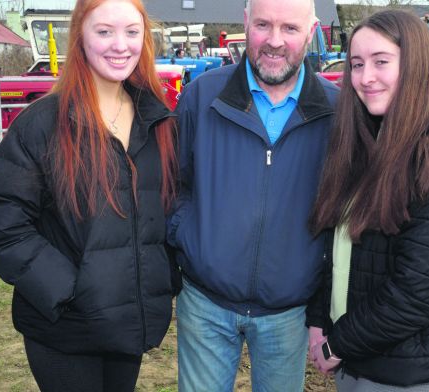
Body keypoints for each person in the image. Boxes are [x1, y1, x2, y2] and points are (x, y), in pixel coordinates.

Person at [0, 0, 179, 390]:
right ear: (80, 36)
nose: (120, 45)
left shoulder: (159, 122)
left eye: (132, 32)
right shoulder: (44, 123)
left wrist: (163, 273)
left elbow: (165, 211)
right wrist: (69, 289)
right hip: (65, 329)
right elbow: (1, 222)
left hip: (127, 325)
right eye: (104, 31)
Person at [305, 10, 429, 391]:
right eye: (357, 64)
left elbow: (417, 291)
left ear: (416, 64)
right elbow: (338, 242)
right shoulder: (370, 137)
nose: (366, 78)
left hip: (404, 370)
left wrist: (338, 343)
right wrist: (321, 319)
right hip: (358, 354)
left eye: (382, 62)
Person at [166, 0, 339, 390]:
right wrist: (188, 237)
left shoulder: (337, 112)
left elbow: (342, 213)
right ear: (245, 23)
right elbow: (172, 185)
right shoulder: (201, 96)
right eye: (263, 25)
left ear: (311, 32)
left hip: (288, 311)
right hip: (205, 303)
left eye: (290, 29)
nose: (275, 41)